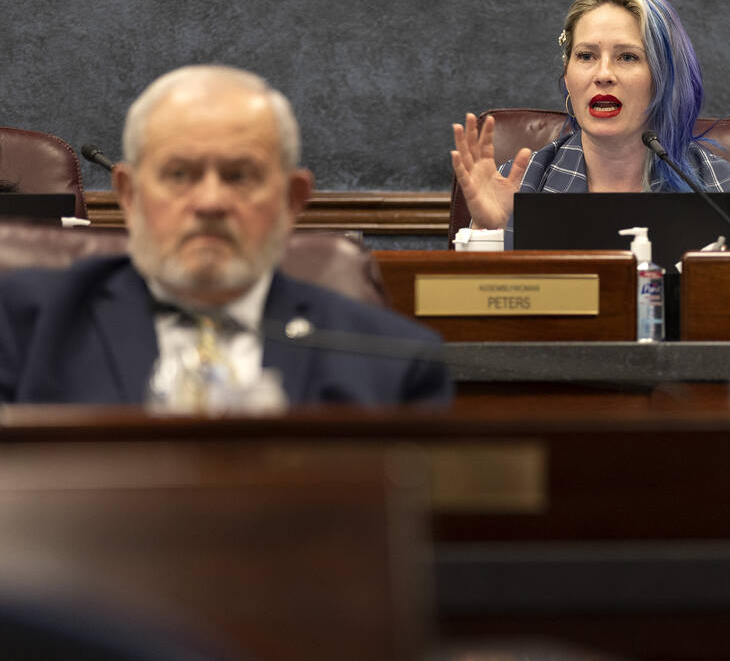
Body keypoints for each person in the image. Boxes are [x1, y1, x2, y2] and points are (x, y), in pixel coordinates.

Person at [0, 65, 450, 407]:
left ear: (292, 199)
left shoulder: (394, 364)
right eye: (179, 174)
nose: (210, 202)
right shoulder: (22, 327)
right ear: (130, 195)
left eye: (240, 176)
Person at [451, 0, 730, 252]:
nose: (603, 74)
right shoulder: (520, 188)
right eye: (586, 55)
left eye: (627, 56)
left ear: (663, 76)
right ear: (567, 75)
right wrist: (488, 232)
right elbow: (466, 325)